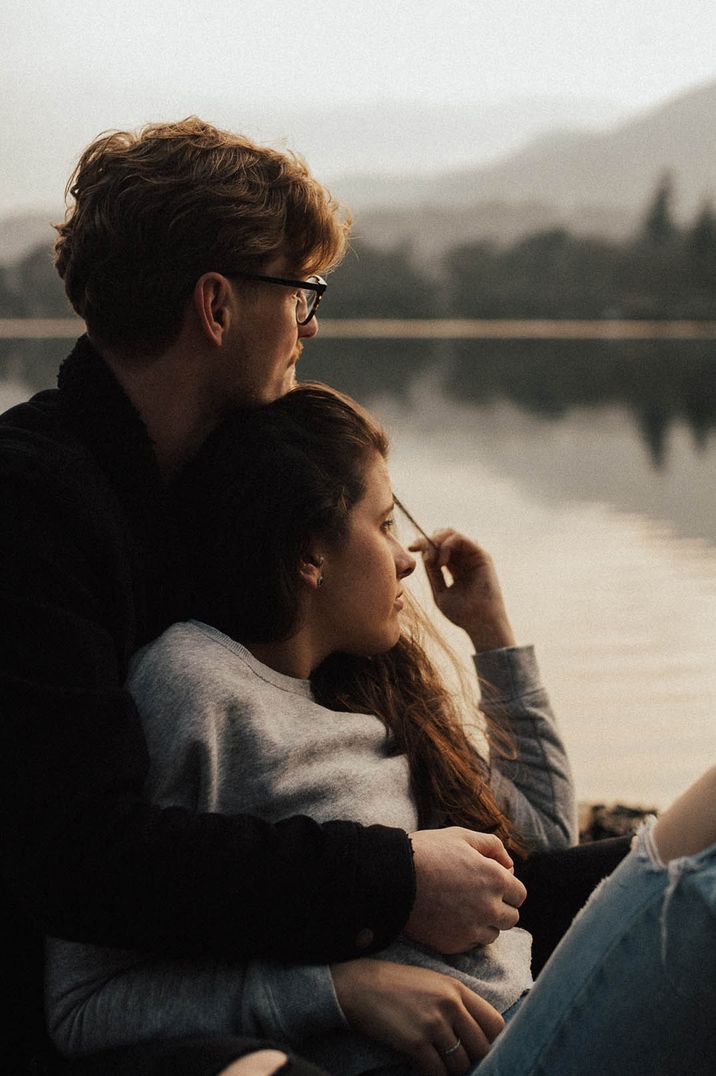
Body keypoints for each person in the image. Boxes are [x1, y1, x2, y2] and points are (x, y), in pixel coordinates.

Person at [0, 119, 527, 1076]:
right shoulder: (29, 508)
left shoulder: (211, 495)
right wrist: (389, 886)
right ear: (217, 306)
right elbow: (83, 858)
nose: (311, 324)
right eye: (301, 292)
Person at [46, 385, 716, 1074]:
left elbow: (539, 838)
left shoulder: (363, 688)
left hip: (537, 1013)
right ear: (310, 553)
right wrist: (336, 993)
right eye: (385, 523)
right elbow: (88, 1004)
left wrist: (492, 635)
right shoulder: (192, 683)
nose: (406, 559)